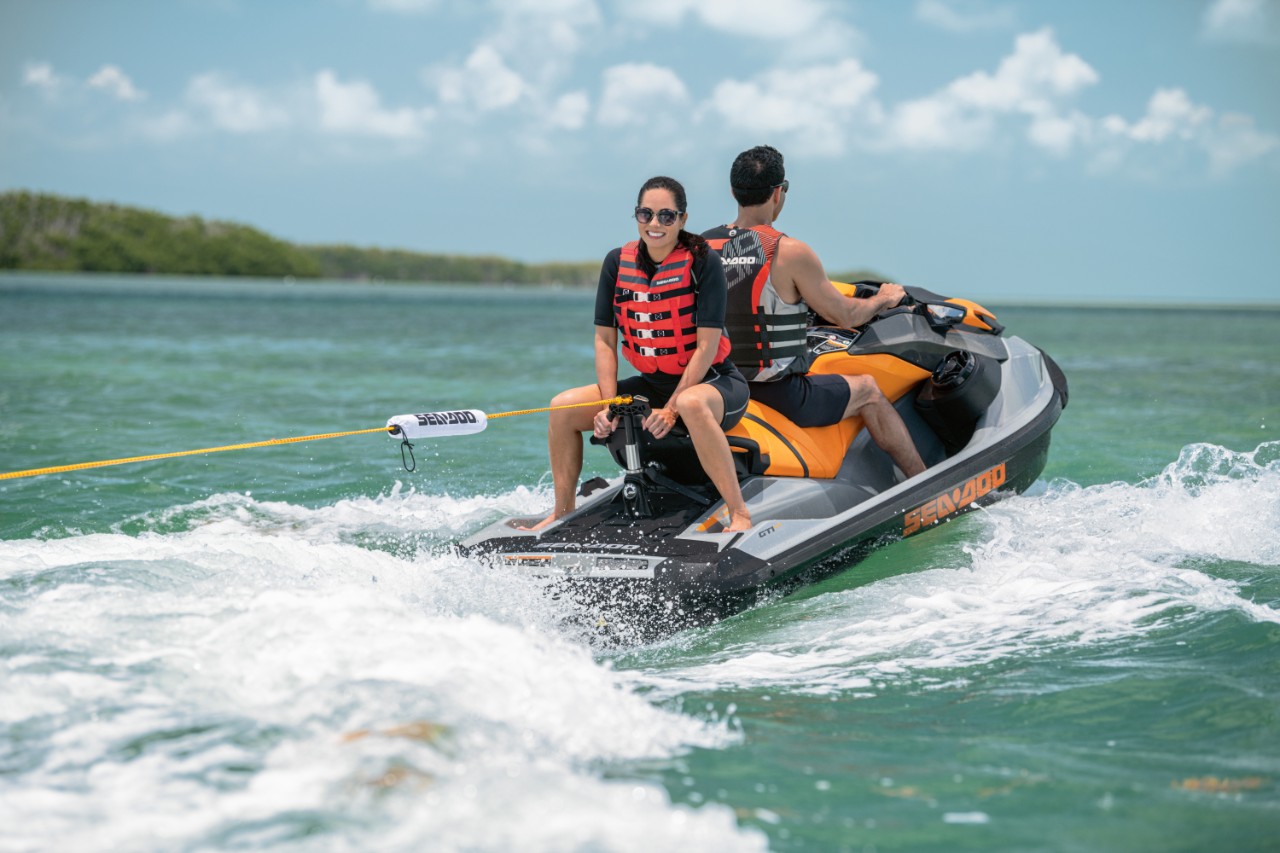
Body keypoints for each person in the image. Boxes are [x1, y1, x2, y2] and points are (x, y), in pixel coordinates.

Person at [527, 176, 753, 532]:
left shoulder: (702, 263)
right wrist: (607, 406)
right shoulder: (617, 263)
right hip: (652, 384)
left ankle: (739, 513)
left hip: (715, 383)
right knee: (563, 407)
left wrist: (674, 407)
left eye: (666, 216)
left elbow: (707, 346)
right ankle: (562, 512)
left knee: (692, 403)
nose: (654, 224)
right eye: (646, 214)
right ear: (636, 216)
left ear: (682, 219)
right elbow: (605, 341)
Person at [702, 145, 927, 479]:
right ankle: (922, 481)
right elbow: (846, 316)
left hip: (722, 387)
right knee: (868, 390)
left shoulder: (701, 247)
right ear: (778, 193)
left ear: (734, 191)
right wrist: (883, 299)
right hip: (782, 393)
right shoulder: (788, 251)